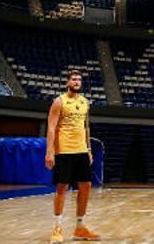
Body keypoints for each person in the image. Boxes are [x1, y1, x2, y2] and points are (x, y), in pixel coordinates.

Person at [45, 70, 99, 242]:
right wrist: (49, 151)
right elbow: (51, 128)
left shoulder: (85, 102)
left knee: (86, 186)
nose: (77, 82)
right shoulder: (59, 102)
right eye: (74, 79)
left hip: (81, 150)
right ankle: (57, 227)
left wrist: (89, 150)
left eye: (79, 80)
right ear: (67, 83)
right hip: (64, 151)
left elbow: (86, 128)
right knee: (62, 187)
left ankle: (80, 227)